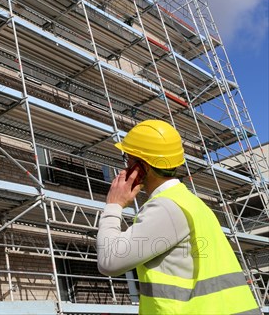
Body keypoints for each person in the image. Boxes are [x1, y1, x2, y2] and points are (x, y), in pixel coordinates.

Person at [97, 119, 259, 314]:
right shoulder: (191, 203)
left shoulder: (166, 207)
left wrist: (114, 205)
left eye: (128, 159)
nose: (125, 167)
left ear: (143, 168)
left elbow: (109, 261)